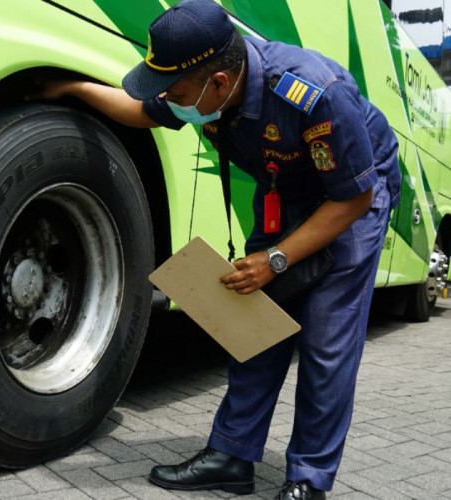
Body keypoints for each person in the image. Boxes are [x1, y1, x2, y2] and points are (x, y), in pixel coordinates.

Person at [38, 0, 401, 498]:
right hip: (286, 193)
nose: (169, 99)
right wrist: (73, 88)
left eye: (176, 92)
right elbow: (143, 111)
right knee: (252, 329)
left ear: (220, 84)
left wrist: (275, 260)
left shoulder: (312, 94)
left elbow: (353, 197)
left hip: (352, 195)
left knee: (325, 344)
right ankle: (232, 457)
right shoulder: (200, 79)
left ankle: (309, 481)